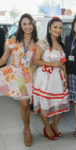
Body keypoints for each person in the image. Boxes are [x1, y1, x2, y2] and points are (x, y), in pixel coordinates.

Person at [0, 13, 38, 146]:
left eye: (29, 23)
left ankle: (27, 128)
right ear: (20, 26)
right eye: (24, 24)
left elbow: (38, 61)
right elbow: (4, 59)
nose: (27, 26)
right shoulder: (13, 40)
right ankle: (26, 129)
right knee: (24, 104)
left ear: (33, 24)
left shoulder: (38, 42)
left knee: (29, 104)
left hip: (32, 76)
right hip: (18, 76)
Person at [33, 17, 69, 141]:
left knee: (59, 104)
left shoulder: (61, 43)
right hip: (44, 78)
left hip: (58, 78)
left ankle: (54, 125)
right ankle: (47, 127)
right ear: (49, 28)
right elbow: (36, 61)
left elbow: (63, 63)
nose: (58, 30)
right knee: (45, 104)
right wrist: (53, 64)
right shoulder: (43, 43)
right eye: (55, 27)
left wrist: (66, 79)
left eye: (60, 28)